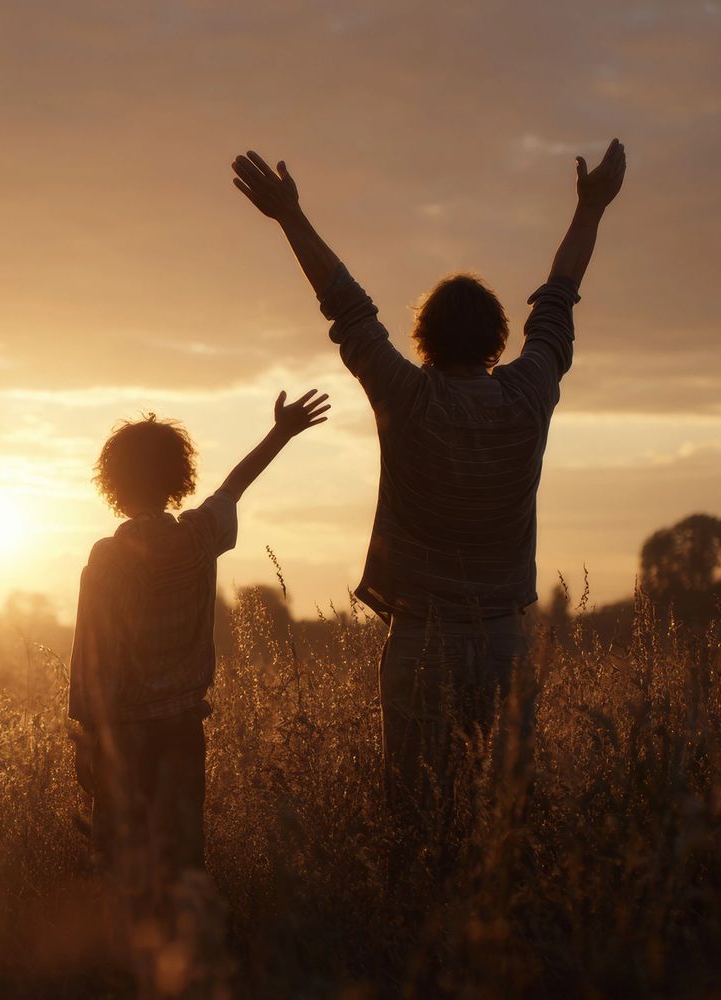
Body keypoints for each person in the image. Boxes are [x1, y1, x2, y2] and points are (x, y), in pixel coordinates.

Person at [229, 140, 626, 858]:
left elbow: (345, 304)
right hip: (505, 640)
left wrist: (290, 216)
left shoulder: (407, 398)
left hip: (421, 643)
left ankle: (419, 946)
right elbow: (559, 297)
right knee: (503, 824)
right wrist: (591, 205)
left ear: (423, 340)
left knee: (415, 827)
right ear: (499, 341)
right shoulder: (529, 394)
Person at [70, 391, 329, 895]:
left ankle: (121, 959)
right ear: (177, 478)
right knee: (184, 856)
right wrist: (281, 432)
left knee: (118, 860)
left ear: (113, 484)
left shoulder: (107, 558)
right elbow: (235, 485)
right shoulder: (201, 535)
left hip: (123, 734)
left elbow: (92, 656)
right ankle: (186, 956)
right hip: (183, 728)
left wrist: (87, 737)